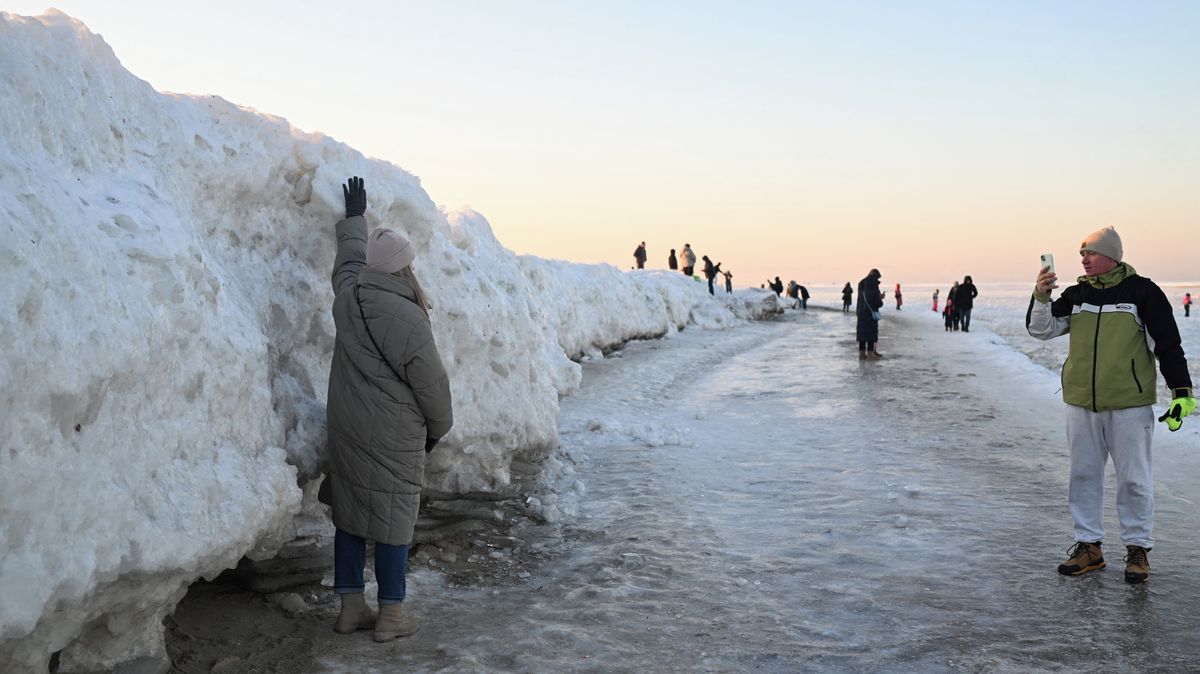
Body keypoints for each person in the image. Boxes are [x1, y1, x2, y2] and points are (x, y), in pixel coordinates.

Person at [1028, 226, 1193, 584]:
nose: (1084, 260)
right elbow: (1041, 330)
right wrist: (1041, 296)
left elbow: (1167, 343)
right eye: (1081, 254)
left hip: (1129, 404)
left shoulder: (1143, 292)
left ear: (1111, 256)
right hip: (1081, 402)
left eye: (1090, 253)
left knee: (1134, 479)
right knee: (1083, 475)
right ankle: (1089, 547)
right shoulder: (1076, 294)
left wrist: (1182, 392)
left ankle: (1137, 551)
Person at [327, 177, 454, 640]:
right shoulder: (407, 316)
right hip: (395, 432)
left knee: (350, 516)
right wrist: (439, 429)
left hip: (347, 425)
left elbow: (348, 263)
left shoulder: (349, 297)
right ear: (402, 270)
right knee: (393, 520)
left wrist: (354, 219)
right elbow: (432, 384)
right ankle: (392, 616)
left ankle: (350, 609)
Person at [856, 269, 884, 357]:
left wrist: (858, 310)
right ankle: (870, 355)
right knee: (871, 335)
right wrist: (881, 299)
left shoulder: (861, 283)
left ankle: (861, 355)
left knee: (862, 335)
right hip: (870, 314)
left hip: (861, 313)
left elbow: (860, 299)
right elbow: (877, 302)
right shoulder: (873, 285)